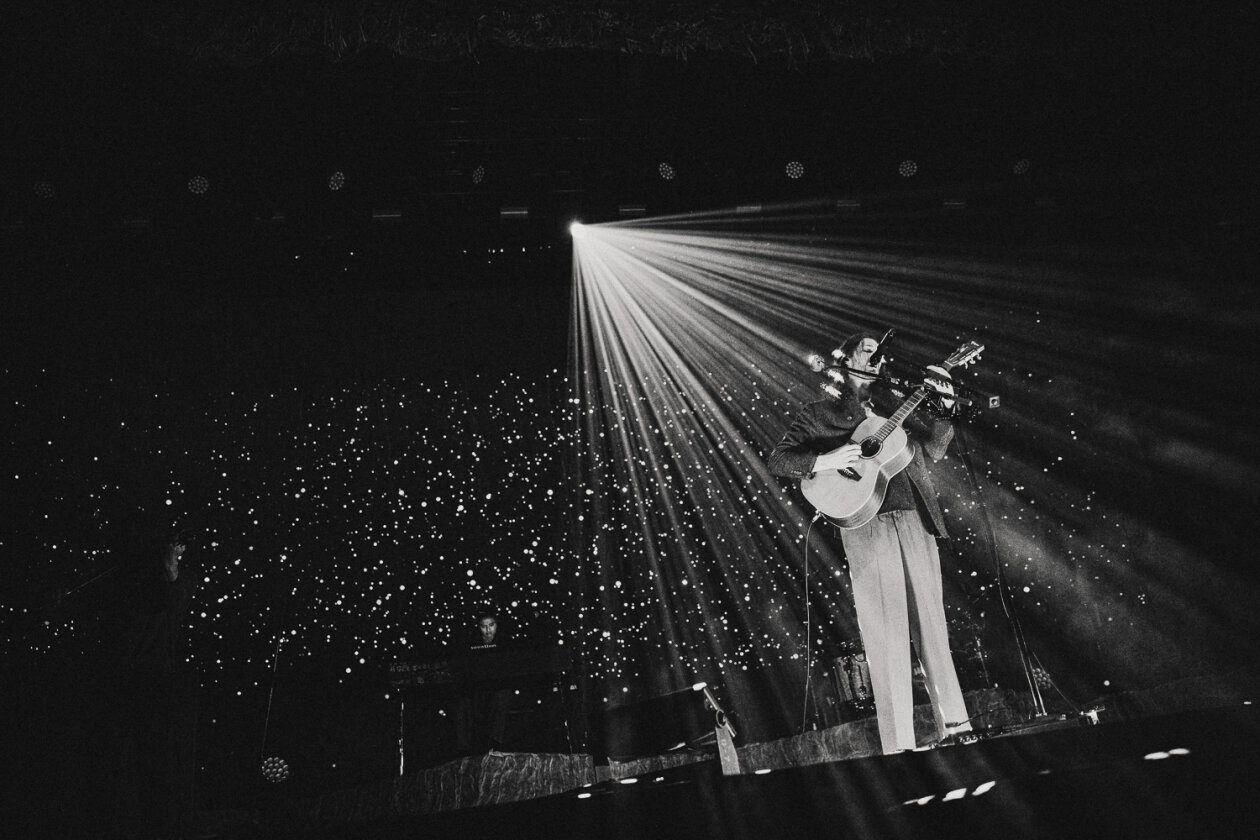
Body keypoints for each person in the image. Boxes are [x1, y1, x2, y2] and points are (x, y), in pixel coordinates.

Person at [768, 332, 972, 753]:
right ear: (844, 360)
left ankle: (956, 727)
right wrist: (826, 460)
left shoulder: (900, 399)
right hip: (864, 522)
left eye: (878, 352)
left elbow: (933, 449)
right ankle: (900, 746)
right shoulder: (820, 412)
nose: (876, 355)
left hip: (915, 515)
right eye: (866, 348)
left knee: (932, 625)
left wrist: (946, 409)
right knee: (886, 633)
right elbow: (780, 459)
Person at [454, 610, 513, 754]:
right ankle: (464, 750)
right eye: (483, 626)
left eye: (491, 625)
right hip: (477, 690)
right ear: (478, 627)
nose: (488, 630)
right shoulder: (470, 645)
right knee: (463, 704)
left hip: (499, 688)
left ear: (497, 626)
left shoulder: (506, 643)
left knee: (501, 698)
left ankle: (494, 745)